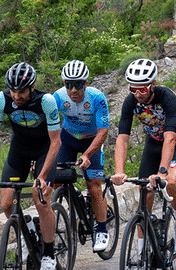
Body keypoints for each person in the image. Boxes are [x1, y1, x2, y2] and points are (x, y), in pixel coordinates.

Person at [112, 59, 176, 254]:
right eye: (133, 89)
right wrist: (119, 172)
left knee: (171, 182)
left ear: (153, 84)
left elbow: (170, 138)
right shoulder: (130, 101)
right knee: (144, 194)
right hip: (153, 142)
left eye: (143, 89)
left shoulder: (167, 97)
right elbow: (122, 139)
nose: (138, 94)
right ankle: (141, 248)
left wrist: (162, 172)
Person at [1, 63, 61, 270]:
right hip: (19, 150)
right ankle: (28, 230)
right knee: (6, 204)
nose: (16, 96)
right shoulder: (3, 99)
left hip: (45, 149)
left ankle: (49, 252)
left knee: (41, 197)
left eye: (22, 91)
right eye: (13, 91)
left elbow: (56, 142)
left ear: (32, 87)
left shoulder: (47, 101)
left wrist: (42, 176)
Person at [53, 60, 110, 252]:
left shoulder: (97, 98)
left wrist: (87, 155)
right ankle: (73, 200)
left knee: (94, 186)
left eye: (77, 84)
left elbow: (103, 132)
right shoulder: (58, 97)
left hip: (92, 139)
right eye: (68, 84)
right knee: (55, 182)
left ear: (85, 84)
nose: (73, 90)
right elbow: (49, 129)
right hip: (68, 137)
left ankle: (101, 229)